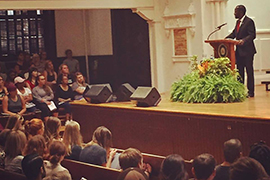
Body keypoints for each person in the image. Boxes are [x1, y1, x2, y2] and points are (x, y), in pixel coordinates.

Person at [226, 5, 256, 97]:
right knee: (240, 72)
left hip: (247, 51)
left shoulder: (249, 22)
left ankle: (250, 92)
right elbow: (234, 33)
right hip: (239, 52)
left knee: (249, 72)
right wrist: (225, 39)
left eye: (236, 11)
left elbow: (252, 35)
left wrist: (243, 41)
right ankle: (240, 91)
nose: (234, 13)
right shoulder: (238, 22)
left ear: (241, 12)